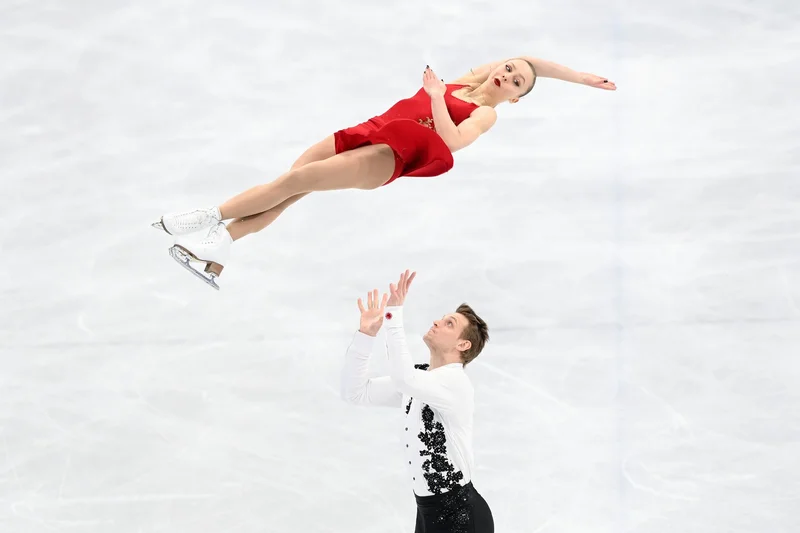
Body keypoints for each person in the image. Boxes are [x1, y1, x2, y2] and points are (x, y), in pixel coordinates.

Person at [151, 58, 616, 289]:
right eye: (508, 68)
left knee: (291, 184)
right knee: (290, 185)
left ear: (514, 97)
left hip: (390, 155)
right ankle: (217, 251)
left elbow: (453, 141)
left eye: (517, 82)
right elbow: (532, 60)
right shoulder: (468, 78)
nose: (508, 75)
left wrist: (438, 97)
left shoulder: (486, 112)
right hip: (369, 130)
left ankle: (205, 219)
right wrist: (581, 77)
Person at [340, 270, 494, 533]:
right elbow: (355, 392)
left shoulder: (454, 383)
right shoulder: (420, 380)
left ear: (463, 345)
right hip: (428, 515)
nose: (437, 322)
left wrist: (392, 315)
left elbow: (404, 379)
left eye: (449, 324)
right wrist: (366, 336)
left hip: (461, 518)